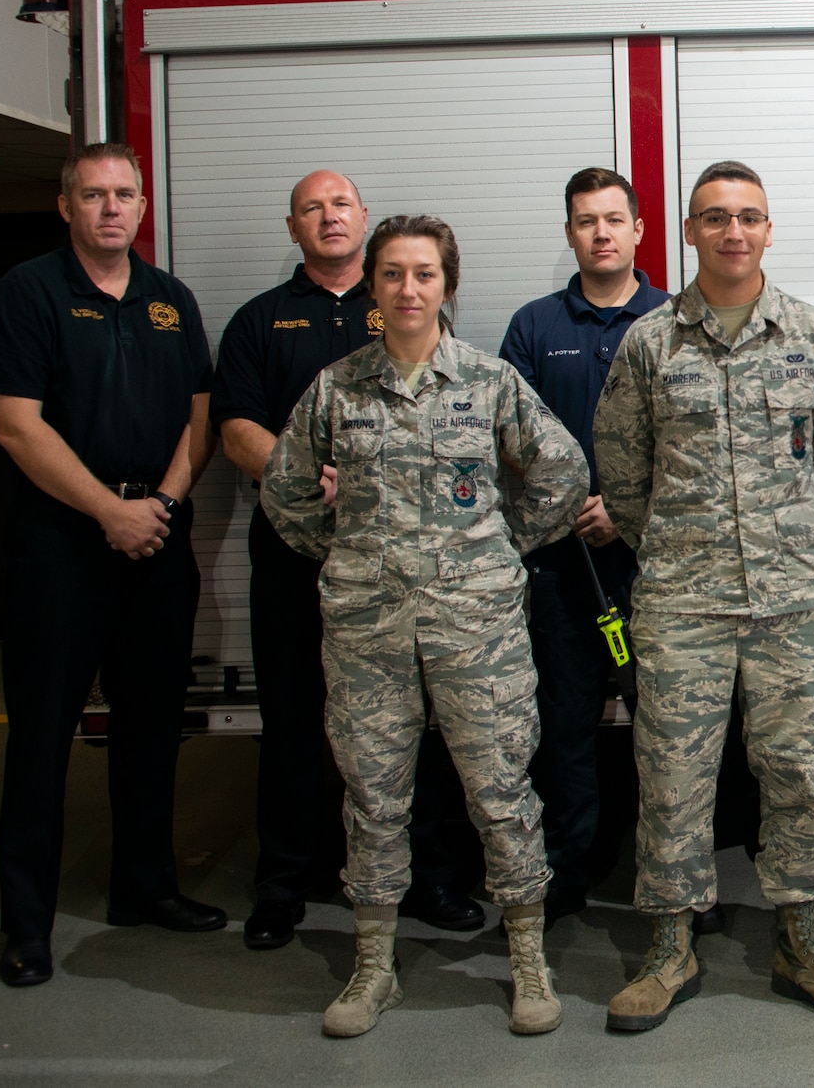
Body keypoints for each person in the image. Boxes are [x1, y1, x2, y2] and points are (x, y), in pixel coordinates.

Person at [263, 215, 589, 1038]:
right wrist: (345, 556)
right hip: (369, 631)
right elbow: (285, 494)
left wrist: (500, 547)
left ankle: (526, 955)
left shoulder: (486, 381)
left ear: (448, 285)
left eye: (425, 274)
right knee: (373, 798)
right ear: (372, 288)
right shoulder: (336, 389)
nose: (409, 290)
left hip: (477, 628)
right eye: (394, 275)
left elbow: (562, 469)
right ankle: (374, 964)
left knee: (502, 792)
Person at [596, 161, 814, 1032]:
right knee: (673, 777)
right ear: (687, 232)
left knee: (797, 773)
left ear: (767, 229)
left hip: (793, 598)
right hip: (682, 599)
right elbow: (623, 471)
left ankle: (800, 940)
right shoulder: (649, 342)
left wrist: (786, 538)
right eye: (714, 217)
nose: (733, 232)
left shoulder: (813, 336)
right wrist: (682, 547)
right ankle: (670, 947)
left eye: (749, 217)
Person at [214, 171, 484, 952]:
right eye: (312, 207)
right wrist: (305, 477)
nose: (329, 217)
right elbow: (234, 427)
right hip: (297, 554)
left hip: (406, 566)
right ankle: (284, 881)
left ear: (362, 222)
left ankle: (431, 875)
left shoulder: (404, 308)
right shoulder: (260, 321)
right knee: (294, 718)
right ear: (292, 225)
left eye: (341, 206)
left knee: (421, 719)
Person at [0, 143, 222, 988]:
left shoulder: (168, 299)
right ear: (66, 206)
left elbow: (201, 415)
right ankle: (27, 926)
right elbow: (16, 425)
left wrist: (161, 503)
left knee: (152, 730)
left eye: (124, 194)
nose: (111, 208)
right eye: (93, 195)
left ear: (143, 204)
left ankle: (144, 888)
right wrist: (108, 511)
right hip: (62, 546)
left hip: (155, 539)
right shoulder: (31, 292)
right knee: (41, 738)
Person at [500, 167, 670, 922]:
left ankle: (666, 872)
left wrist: (627, 512)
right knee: (564, 724)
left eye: (613, 219)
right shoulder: (534, 327)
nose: (600, 232)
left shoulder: (673, 318)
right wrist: (570, 505)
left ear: (638, 230)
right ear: (569, 234)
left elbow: (694, 444)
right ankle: (568, 867)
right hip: (563, 566)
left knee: (667, 727)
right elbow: (510, 439)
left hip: (658, 567)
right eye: (584, 221)